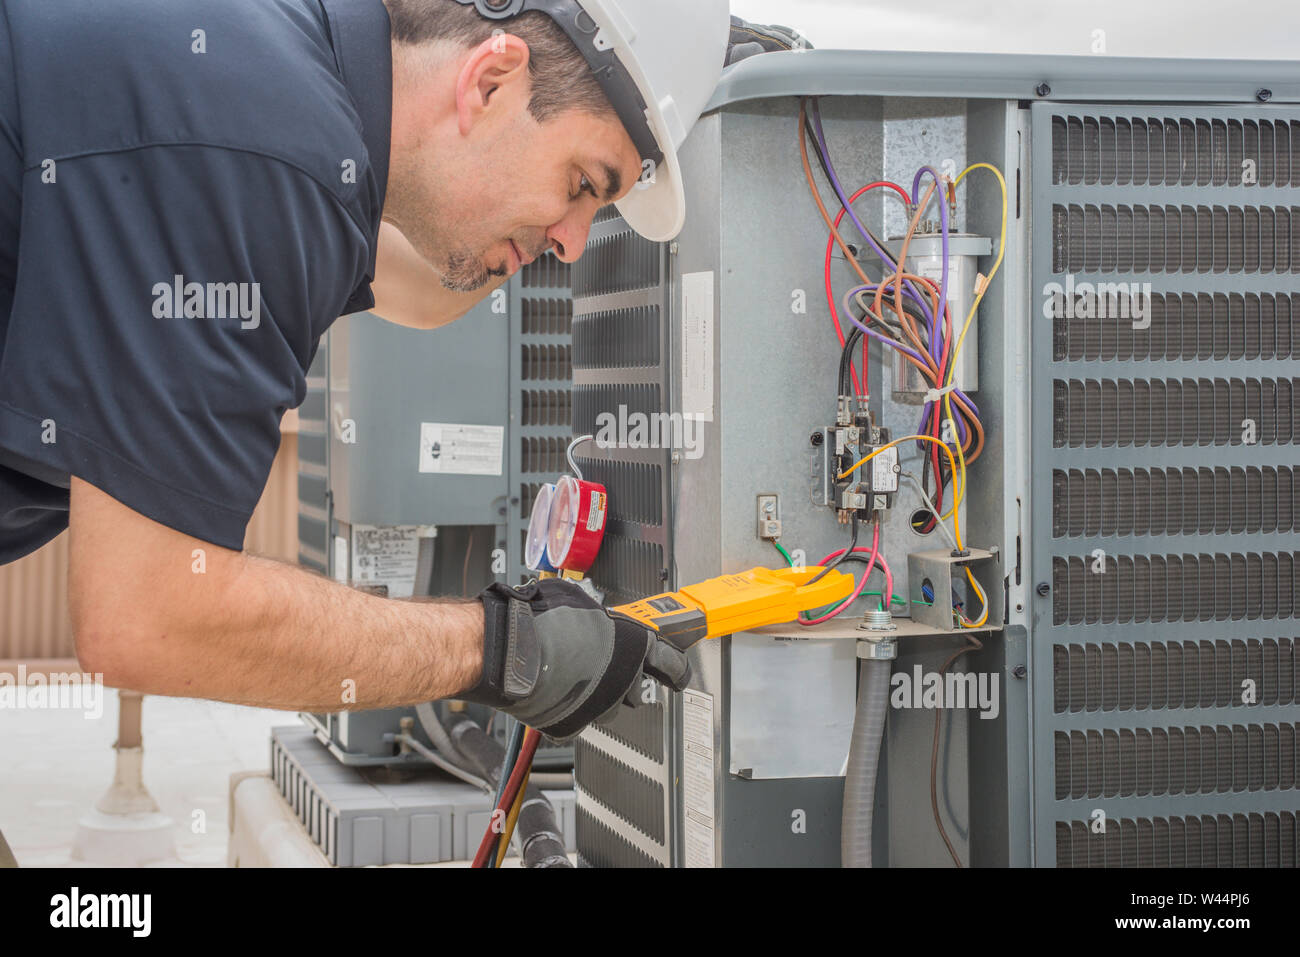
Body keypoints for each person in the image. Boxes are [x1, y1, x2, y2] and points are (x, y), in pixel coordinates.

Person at [0, 0, 758, 740]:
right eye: (583, 185)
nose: (573, 242)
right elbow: (152, 614)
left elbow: (422, 290)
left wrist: (684, 89)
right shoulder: (268, 150)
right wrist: (505, 648)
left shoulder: (289, 77)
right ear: (490, 81)